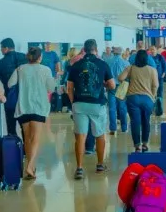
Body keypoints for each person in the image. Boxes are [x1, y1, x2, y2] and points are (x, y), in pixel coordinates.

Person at [66, 39, 114, 180]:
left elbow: (69, 88)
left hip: (79, 104)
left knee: (80, 136)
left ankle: (79, 168)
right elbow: (112, 85)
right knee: (99, 135)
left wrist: (73, 102)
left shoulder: (75, 65)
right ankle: (100, 164)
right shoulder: (103, 64)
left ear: (84, 50)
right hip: (97, 104)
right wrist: (103, 84)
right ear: (96, 49)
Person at [8, 46, 56, 180]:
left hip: (23, 107)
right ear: (40, 58)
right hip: (39, 107)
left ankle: (31, 168)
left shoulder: (20, 69)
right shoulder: (46, 70)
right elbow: (51, 88)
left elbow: (10, 84)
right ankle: (30, 166)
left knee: (27, 138)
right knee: (36, 138)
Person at [119, 50, 159, 152]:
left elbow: (120, 78)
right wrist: (152, 97)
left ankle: (137, 146)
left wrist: (128, 76)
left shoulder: (131, 68)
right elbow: (156, 85)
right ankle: (145, 144)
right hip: (147, 99)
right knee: (146, 121)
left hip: (133, 98)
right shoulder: (152, 69)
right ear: (147, 58)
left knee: (135, 122)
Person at [0, 38, 28, 137]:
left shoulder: (1, 63)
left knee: (11, 127)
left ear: (6, 48)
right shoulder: (25, 58)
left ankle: (13, 149)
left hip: (10, 98)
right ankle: (26, 150)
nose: (1, 50)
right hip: (26, 98)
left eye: (1, 48)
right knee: (25, 127)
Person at [105, 46, 129, 136]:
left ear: (113, 52)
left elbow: (105, 75)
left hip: (111, 86)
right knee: (122, 107)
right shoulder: (126, 62)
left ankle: (112, 129)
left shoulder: (108, 62)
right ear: (120, 53)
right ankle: (124, 127)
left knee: (112, 108)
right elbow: (128, 76)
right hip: (122, 86)